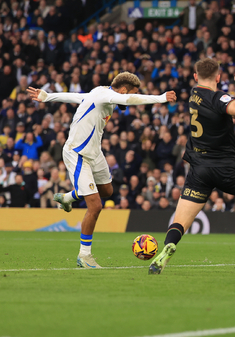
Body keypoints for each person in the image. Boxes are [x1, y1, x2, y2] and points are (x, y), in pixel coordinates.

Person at [148, 58, 235, 275]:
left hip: (199, 170)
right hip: (225, 167)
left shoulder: (195, 95)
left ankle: (168, 248)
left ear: (196, 77)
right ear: (218, 78)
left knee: (180, 221)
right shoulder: (219, 97)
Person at [27, 72, 176, 268]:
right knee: (95, 206)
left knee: (107, 191)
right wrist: (161, 98)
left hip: (94, 154)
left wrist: (48, 97)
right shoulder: (107, 95)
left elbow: (76, 96)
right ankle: (84, 256)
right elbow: (130, 99)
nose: (128, 97)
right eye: (131, 92)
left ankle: (68, 198)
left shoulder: (99, 94)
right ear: (123, 90)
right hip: (77, 154)